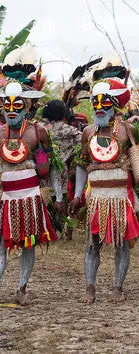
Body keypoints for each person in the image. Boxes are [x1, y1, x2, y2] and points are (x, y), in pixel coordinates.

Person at [0, 44, 63, 309]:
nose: (12, 109)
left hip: (32, 198)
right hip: (7, 197)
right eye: (7, 104)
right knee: (0, 243)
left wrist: (57, 196)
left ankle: (22, 288)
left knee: (28, 244)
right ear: (1, 106)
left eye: (18, 104)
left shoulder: (38, 132)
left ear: (28, 106)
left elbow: (54, 167)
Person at [68, 78, 139, 303]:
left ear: (115, 105)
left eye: (104, 103)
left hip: (121, 197)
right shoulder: (88, 132)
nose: (99, 108)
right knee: (92, 243)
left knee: (121, 244)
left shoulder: (128, 131)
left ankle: (117, 287)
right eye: (95, 103)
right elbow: (81, 164)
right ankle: (90, 287)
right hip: (96, 197)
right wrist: (78, 194)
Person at [41, 100, 82, 240]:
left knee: (45, 197)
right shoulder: (70, 130)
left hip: (43, 169)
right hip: (61, 169)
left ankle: (47, 226)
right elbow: (83, 143)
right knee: (61, 197)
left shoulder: (41, 128)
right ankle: (61, 226)